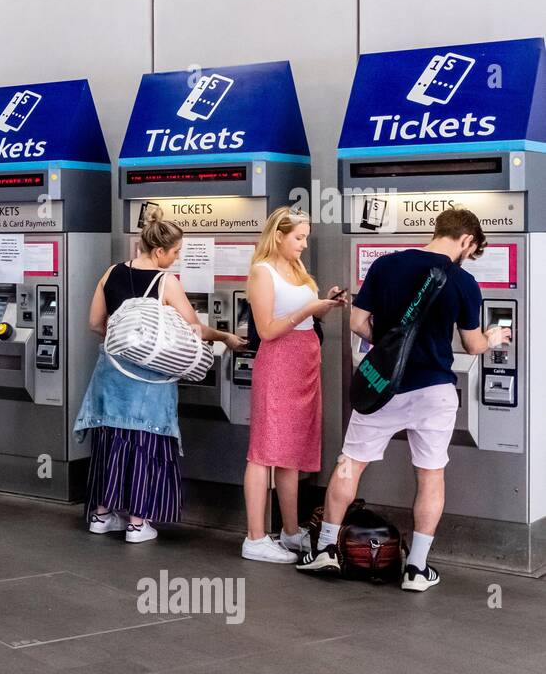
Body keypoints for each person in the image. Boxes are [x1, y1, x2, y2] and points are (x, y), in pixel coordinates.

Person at [298, 207, 509, 591]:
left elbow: (358, 322)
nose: (468, 256)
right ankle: (416, 568)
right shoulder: (463, 282)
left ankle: (327, 549)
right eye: (472, 250)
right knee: (430, 475)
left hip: (384, 385)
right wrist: (493, 338)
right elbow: (472, 343)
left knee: (351, 464)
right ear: (465, 240)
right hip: (435, 392)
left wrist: (392, 349)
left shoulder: (386, 265)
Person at [76, 207, 245, 542]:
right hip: (148, 383)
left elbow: (95, 323)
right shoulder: (165, 282)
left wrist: (127, 338)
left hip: (110, 375)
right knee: (145, 445)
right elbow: (194, 329)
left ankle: (102, 515)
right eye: (176, 252)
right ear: (159, 251)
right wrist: (226, 337)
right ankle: (138, 523)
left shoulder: (110, 273)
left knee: (111, 444)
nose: (178, 258)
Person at [240, 207, 345, 563]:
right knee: (263, 450)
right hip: (279, 363)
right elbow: (267, 330)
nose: (303, 244)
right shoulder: (262, 271)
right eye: (298, 237)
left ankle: (289, 531)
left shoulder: (297, 269)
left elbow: (305, 316)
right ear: (279, 235)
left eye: (306, 238)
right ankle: (255, 537)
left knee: (290, 452)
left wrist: (324, 305)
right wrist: (307, 309)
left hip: (305, 363)